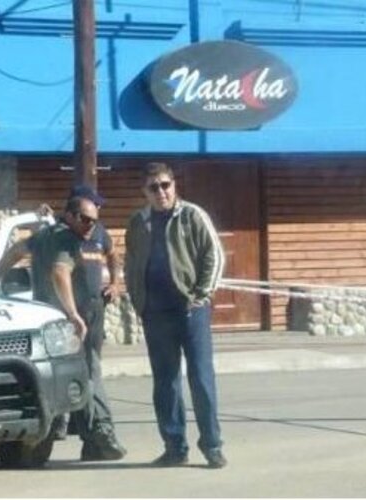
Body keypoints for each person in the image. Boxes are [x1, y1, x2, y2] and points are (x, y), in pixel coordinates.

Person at [0, 194, 127, 461]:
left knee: (81, 373)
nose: (91, 223)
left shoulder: (94, 234)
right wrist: (72, 313)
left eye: (95, 217)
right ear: (69, 215)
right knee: (87, 372)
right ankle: (101, 435)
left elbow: (112, 253)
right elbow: (57, 271)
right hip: (65, 318)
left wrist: (114, 282)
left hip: (91, 313)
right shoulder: (59, 237)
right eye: (86, 218)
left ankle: (84, 439)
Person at [124, 161, 227, 469]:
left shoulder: (192, 215)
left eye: (165, 185)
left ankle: (212, 446)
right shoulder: (137, 223)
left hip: (190, 311)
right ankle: (174, 446)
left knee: (201, 379)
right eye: (154, 187)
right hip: (155, 313)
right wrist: (138, 301)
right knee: (165, 382)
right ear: (145, 191)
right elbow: (130, 263)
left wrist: (202, 294)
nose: (161, 192)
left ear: (174, 186)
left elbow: (214, 253)